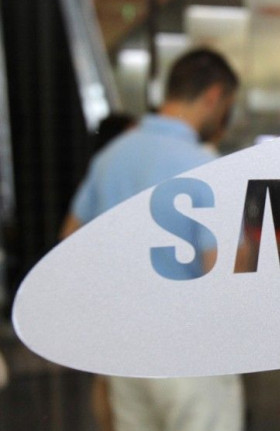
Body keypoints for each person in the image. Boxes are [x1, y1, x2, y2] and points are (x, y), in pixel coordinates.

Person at [61, 48, 244, 431]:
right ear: (213, 97)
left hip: (127, 351)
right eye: (226, 105)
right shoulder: (205, 167)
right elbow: (226, 267)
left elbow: (70, 243)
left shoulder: (111, 158)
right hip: (190, 353)